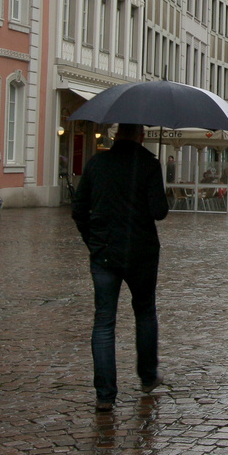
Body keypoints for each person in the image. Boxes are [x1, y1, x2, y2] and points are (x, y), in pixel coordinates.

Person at [72, 123, 169, 413]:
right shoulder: (149, 164)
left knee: (104, 322)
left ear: (116, 136)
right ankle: (148, 376)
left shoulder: (97, 163)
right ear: (140, 136)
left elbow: (78, 211)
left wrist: (94, 242)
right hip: (141, 252)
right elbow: (159, 212)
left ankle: (105, 394)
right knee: (145, 313)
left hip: (104, 253)